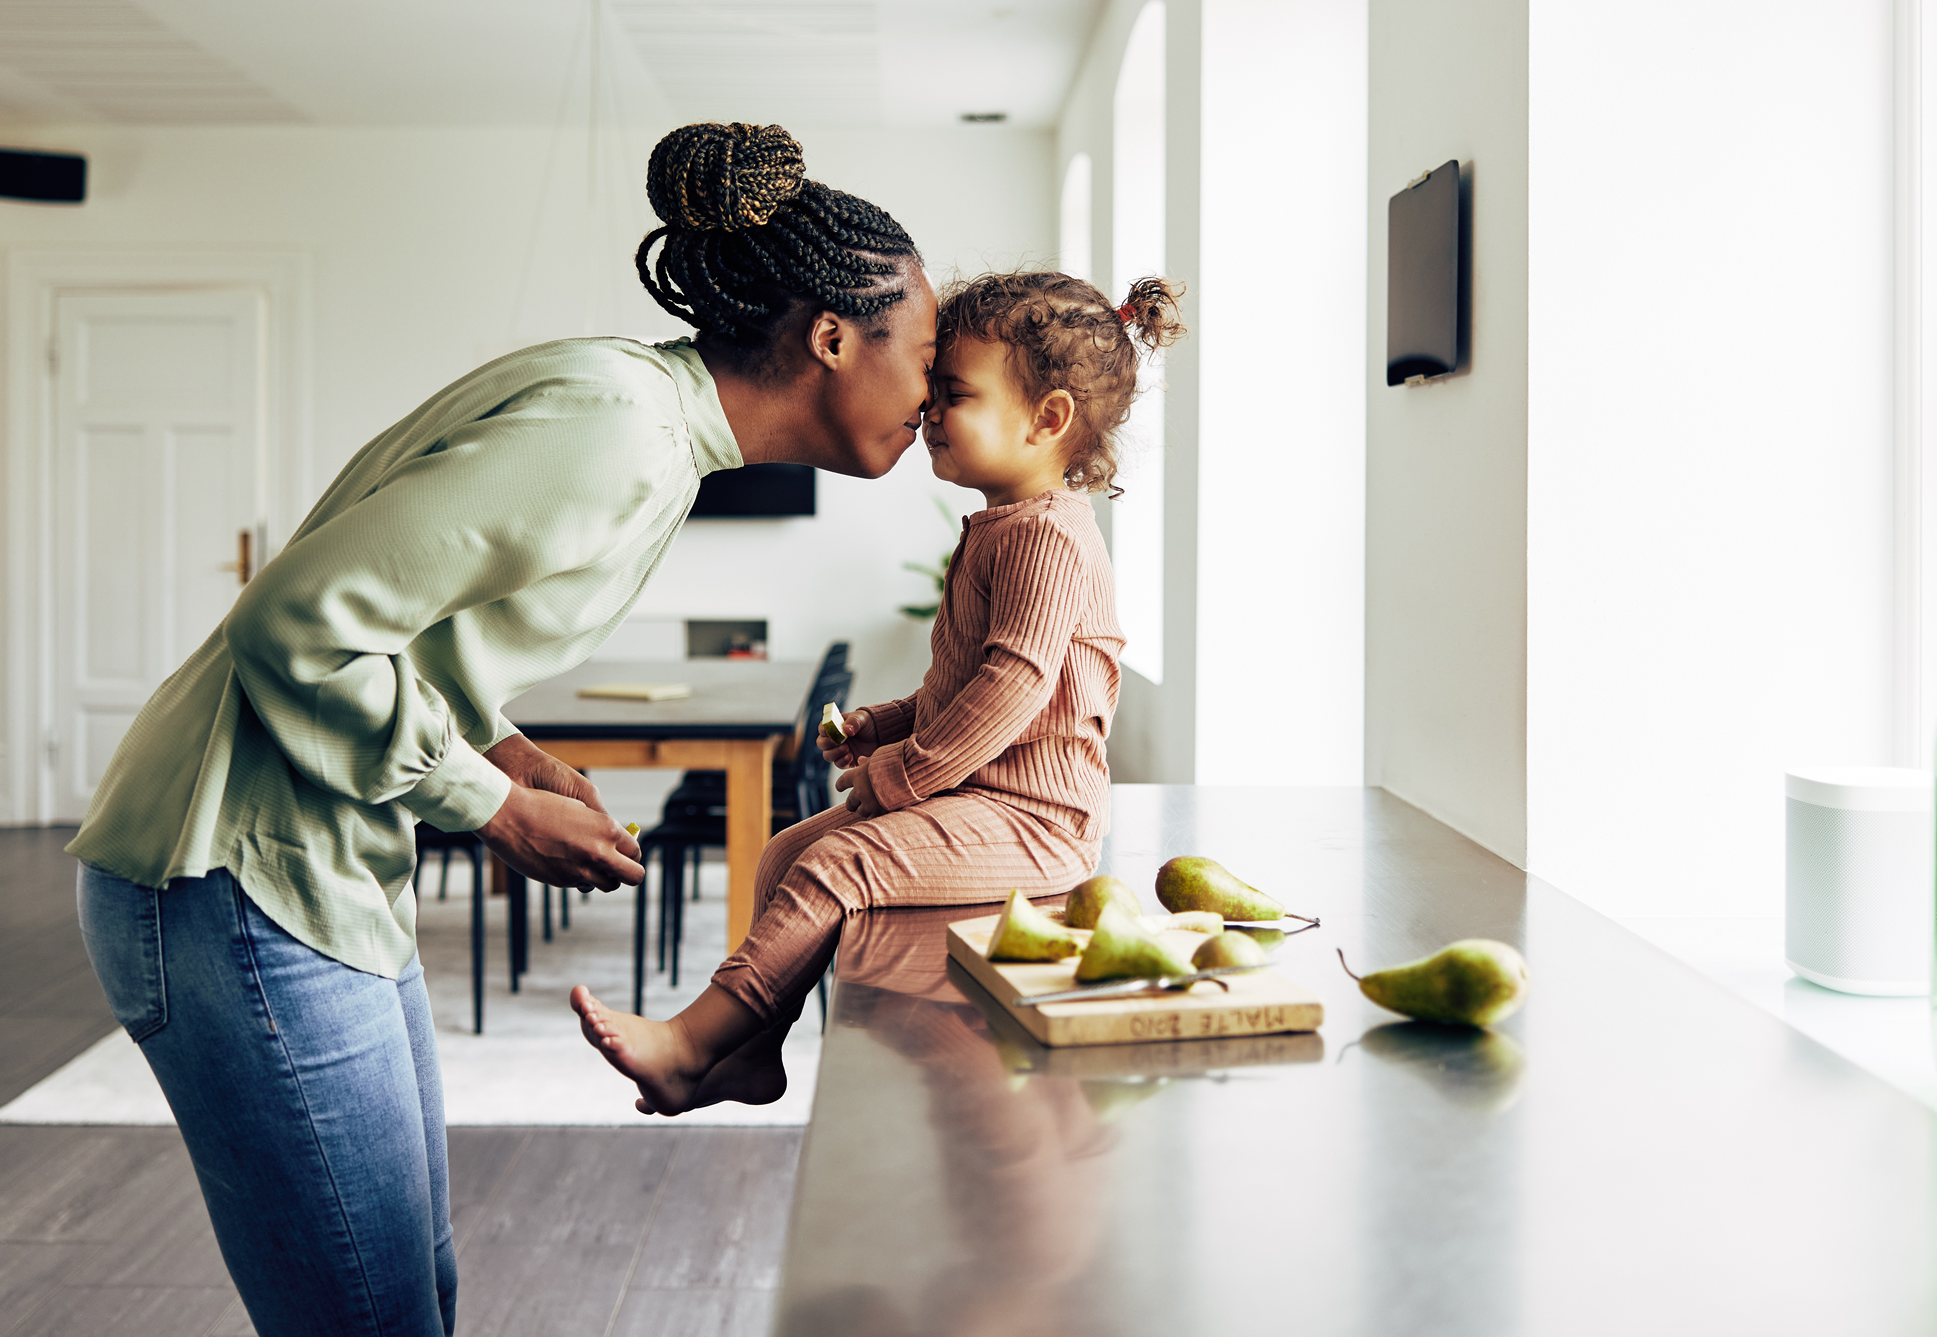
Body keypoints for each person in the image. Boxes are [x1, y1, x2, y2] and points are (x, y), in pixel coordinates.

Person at [66, 121, 934, 1337]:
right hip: (234, 874)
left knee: (411, 1292)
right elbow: (297, 623)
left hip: (302, 872)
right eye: (930, 355)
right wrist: (490, 806)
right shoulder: (617, 430)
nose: (937, 395)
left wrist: (508, 749)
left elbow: (405, 629)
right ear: (833, 339)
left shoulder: (644, 423)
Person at [571, 268, 1186, 1115]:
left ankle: (690, 1043)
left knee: (835, 865)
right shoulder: (1005, 528)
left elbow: (1013, 687)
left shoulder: (1048, 539)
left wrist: (906, 770)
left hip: (1038, 820)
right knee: (787, 852)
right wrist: (884, 722)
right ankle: (753, 1051)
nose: (929, 410)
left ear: (1048, 420)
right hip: (981, 796)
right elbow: (965, 684)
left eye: (955, 394)